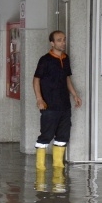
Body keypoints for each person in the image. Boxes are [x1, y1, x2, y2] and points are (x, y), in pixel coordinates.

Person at [33, 30, 82, 172]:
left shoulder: (65, 58)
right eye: (59, 40)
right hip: (49, 105)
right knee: (46, 136)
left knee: (63, 136)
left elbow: (67, 78)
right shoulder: (45, 60)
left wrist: (75, 95)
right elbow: (36, 80)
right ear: (52, 43)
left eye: (64, 39)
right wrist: (39, 99)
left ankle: (58, 168)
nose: (63, 42)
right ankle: (40, 168)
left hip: (64, 106)